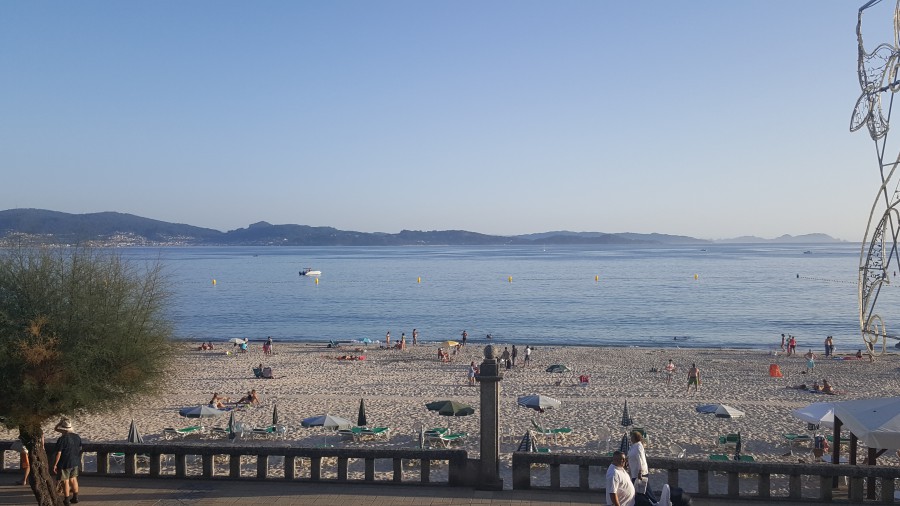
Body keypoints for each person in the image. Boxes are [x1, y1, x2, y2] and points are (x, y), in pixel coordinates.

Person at [52, 418, 81, 505]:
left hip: (65, 463)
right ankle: (75, 498)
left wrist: (55, 464)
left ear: (63, 429)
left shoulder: (62, 439)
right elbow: (79, 448)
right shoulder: (77, 437)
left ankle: (67, 500)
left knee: (65, 481)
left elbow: (59, 453)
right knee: (73, 479)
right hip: (75, 461)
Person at [627, 431, 649, 496]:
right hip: (634, 471)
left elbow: (640, 460)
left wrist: (640, 472)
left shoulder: (638, 446)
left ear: (635, 438)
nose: (630, 438)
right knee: (639, 491)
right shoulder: (633, 446)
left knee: (643, 491)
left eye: (632, 437)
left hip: (639, 472)